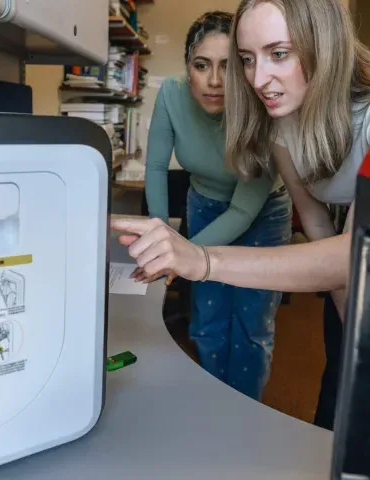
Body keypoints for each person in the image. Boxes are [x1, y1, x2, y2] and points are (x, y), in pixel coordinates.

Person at [112, 0, 369, 431]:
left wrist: (199, 258)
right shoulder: (282, 116)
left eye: (279, 54)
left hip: (341, 245)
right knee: (342, 382)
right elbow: (318, 223)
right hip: (350, 247)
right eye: (248, 60)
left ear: (323, 42)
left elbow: (352, 256)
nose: (258, 79)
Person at [141, 11, 293, 402]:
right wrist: (161, 238)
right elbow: (157, 167)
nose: (213, 81)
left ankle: (243, 413)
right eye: (201, 65)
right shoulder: (172, 94)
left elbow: (243, 212)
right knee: (207, 321)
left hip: (262, 215)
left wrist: (179, 256)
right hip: (205, 204)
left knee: (250, 326)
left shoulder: (261, 109)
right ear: (187, 68)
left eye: (228, 66)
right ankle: (211, 406)